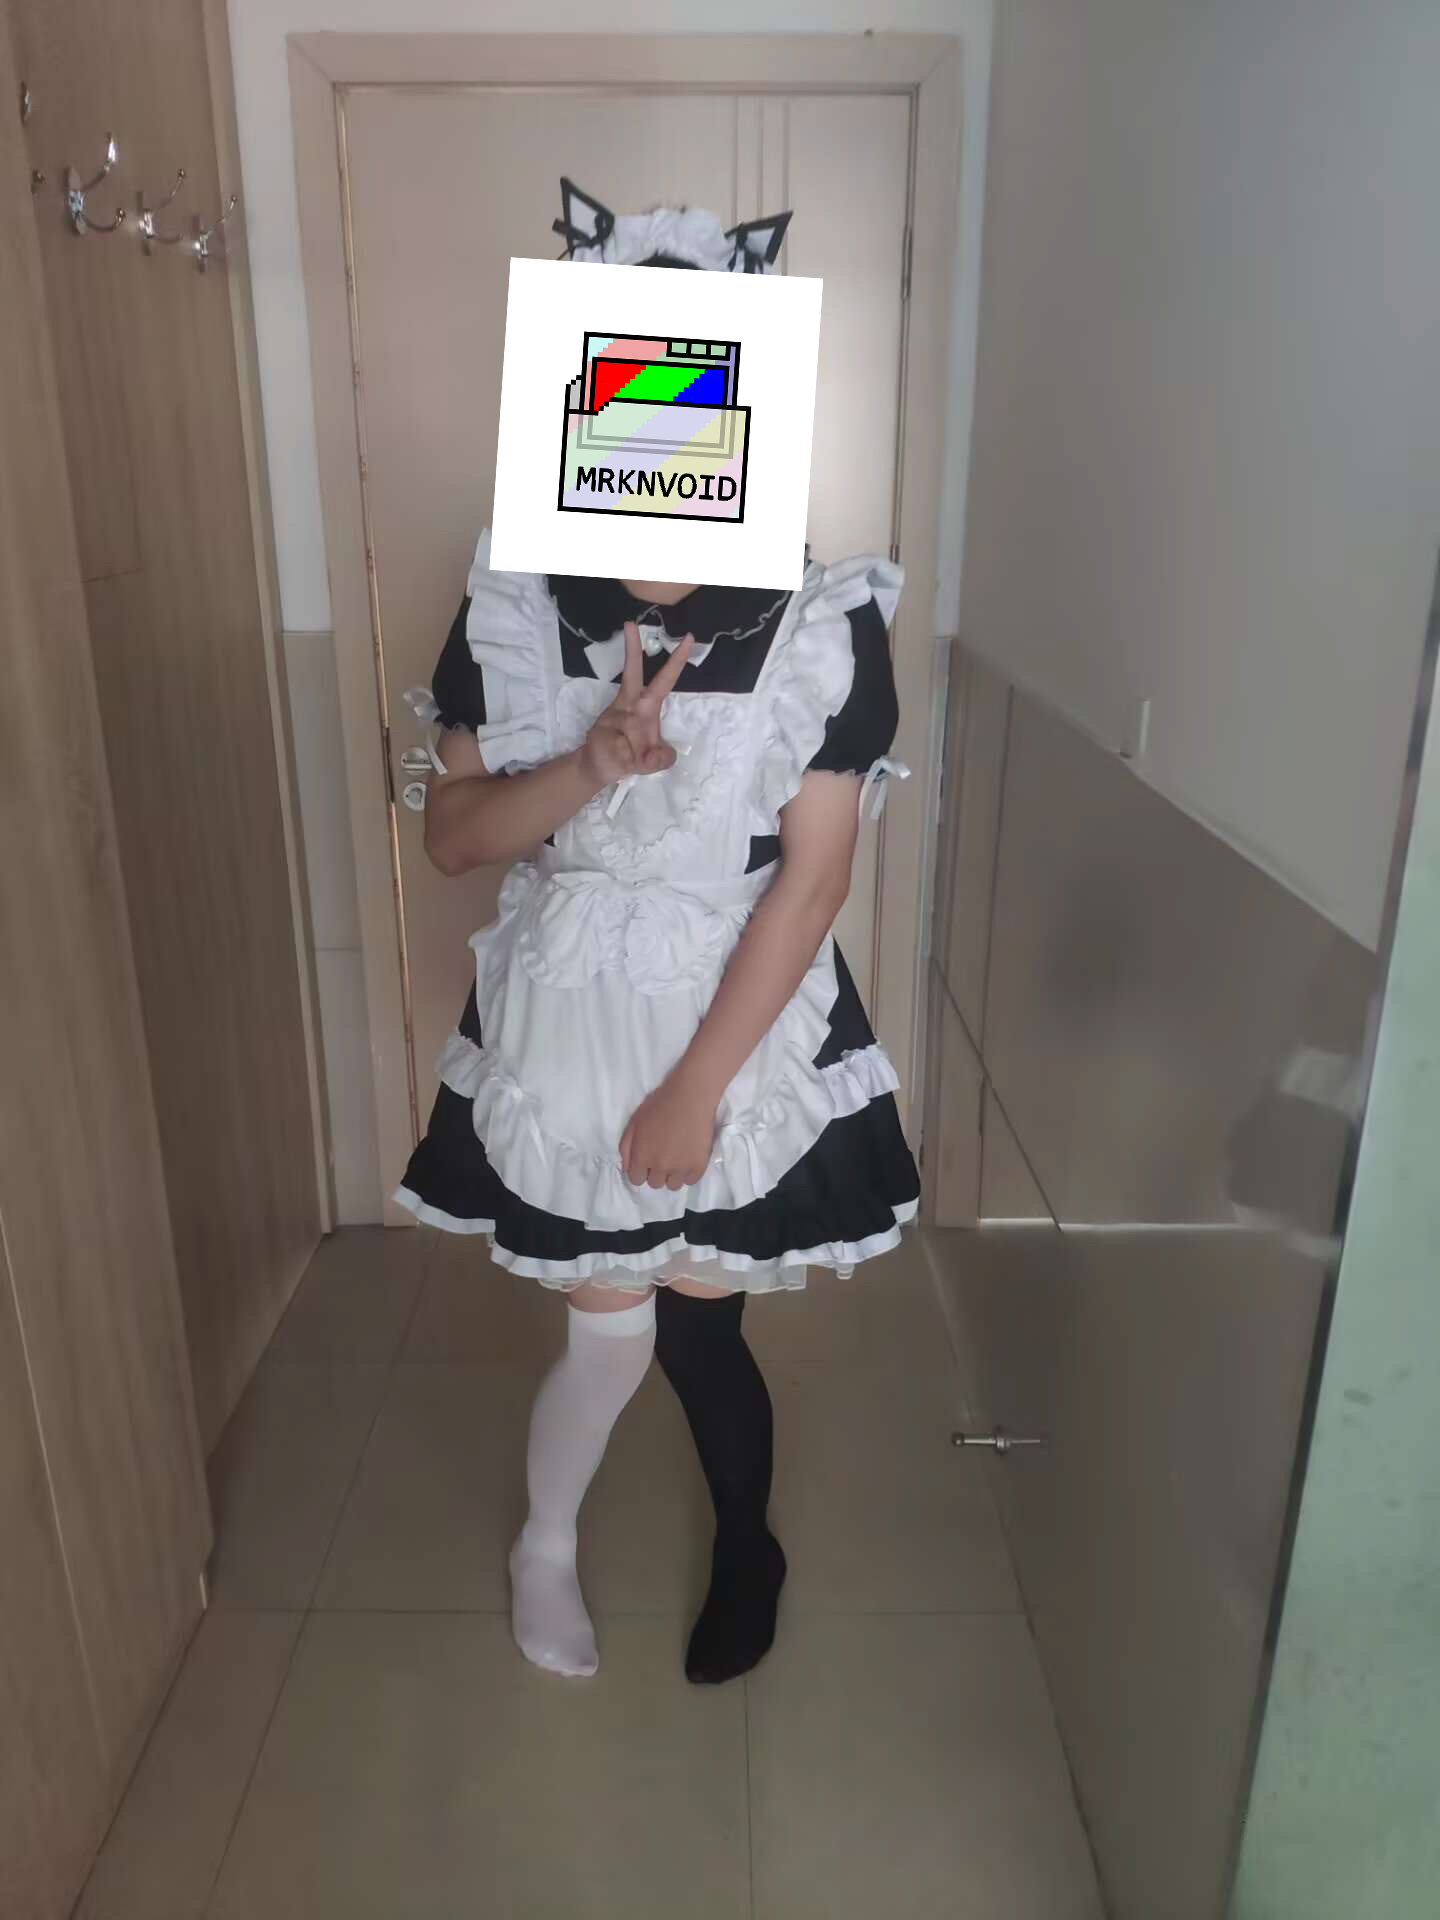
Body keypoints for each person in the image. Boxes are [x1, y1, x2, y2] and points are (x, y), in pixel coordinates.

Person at [396, 183, 920, 1684]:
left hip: (734, 1012)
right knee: (610, 1331)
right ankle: (544, 1546)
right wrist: (586, 768)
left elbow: (812, 882)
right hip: (574, 1006)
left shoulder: (819, 620)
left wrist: (696, 1087)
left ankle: (748, 1548)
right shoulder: (513, 602)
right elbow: (454, 840)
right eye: (628, 382)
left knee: (703, 1325)